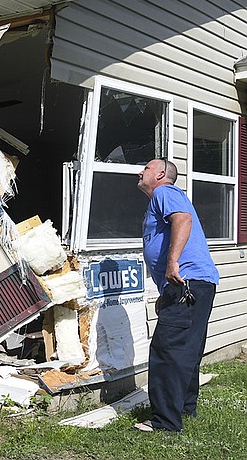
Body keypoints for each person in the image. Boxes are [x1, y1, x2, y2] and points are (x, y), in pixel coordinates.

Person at [133, 158, 218, 432]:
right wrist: (165, 291)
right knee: (188, 349)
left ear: (160, 174)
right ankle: (184, 408)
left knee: (166, 350)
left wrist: (173, 263)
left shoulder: (164, 192)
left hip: (187, 282)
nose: (140, 171)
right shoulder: (166, 197)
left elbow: (183, 220)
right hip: (196, 284)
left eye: (145, 168)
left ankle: (165, 423)